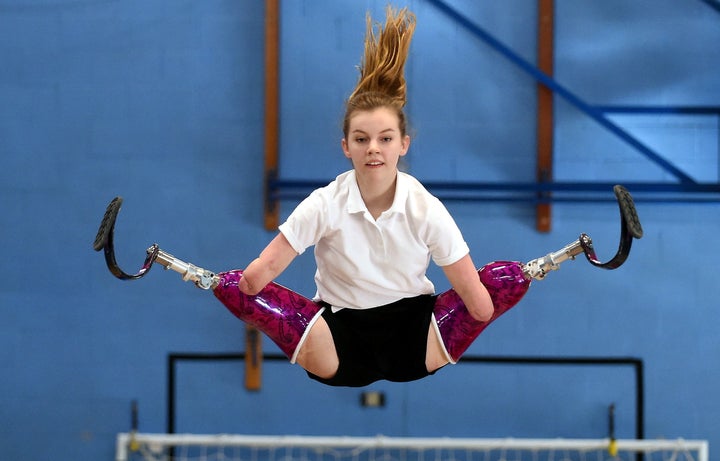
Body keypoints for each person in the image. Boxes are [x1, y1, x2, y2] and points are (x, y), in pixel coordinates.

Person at [217, 6, 495, 387]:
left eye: (385, 139)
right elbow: (262, 272)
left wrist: (509, 286)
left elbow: (474, 297)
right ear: (346, 146)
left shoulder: (425, 208)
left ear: (404, 144)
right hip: (338, 340)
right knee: (241, 292)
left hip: (414, 338)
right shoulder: (324, 202)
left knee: (497, 284)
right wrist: (235, 287)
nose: (373, 149)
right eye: (362, 140)